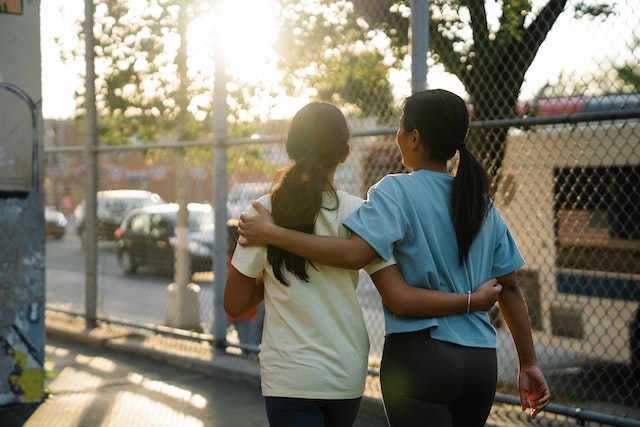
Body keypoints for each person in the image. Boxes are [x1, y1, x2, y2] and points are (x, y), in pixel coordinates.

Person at [237, 89, 551, 427]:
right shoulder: (481, 204)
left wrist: (272, 234)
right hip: (480, 364)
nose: (396, 136)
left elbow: (355, 254)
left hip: (421, 359)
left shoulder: (394, 191)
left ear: (414, 137)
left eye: (400, 128)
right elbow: (511, 290)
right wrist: (528, 364)